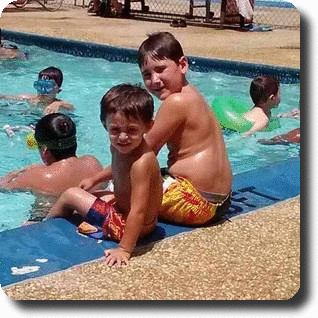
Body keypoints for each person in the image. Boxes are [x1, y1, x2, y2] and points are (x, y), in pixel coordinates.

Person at [46, 84, 163, 267]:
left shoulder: (142, 163)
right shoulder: (121, 148)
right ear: (105, 125)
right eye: (115, 130)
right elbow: (118, 167)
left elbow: (138, 211)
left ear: (148, 126)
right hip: (127, 213)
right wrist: (95, 178)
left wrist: (124, 248)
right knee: (92, 195)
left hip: (132, 227)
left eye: (132, 130)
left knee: (71, 194)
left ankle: (45, 224)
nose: (122, 137)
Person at [137, 31, 232, 226]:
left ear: (182, 65)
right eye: (147, 74)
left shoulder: (176, 102)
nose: (154, 80)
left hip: (194, 203)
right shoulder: (192, 94)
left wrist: (97, 179)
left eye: (160, 69)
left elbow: (142, 152)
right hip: (221, 201)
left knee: (123, 188)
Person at [0, 113, 104, 201]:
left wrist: (15, 174)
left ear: (45, 151)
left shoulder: (37, 176)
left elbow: (2, 186)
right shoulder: (93, 163)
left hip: (51, 220)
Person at [0, 66, 74, 115]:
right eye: (40, 86)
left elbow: (71, 107)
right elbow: (7, 97)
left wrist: (58, 104)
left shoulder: (57, 104)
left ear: (59, 90)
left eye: (48, 87)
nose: (43, 91)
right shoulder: (30, 98)